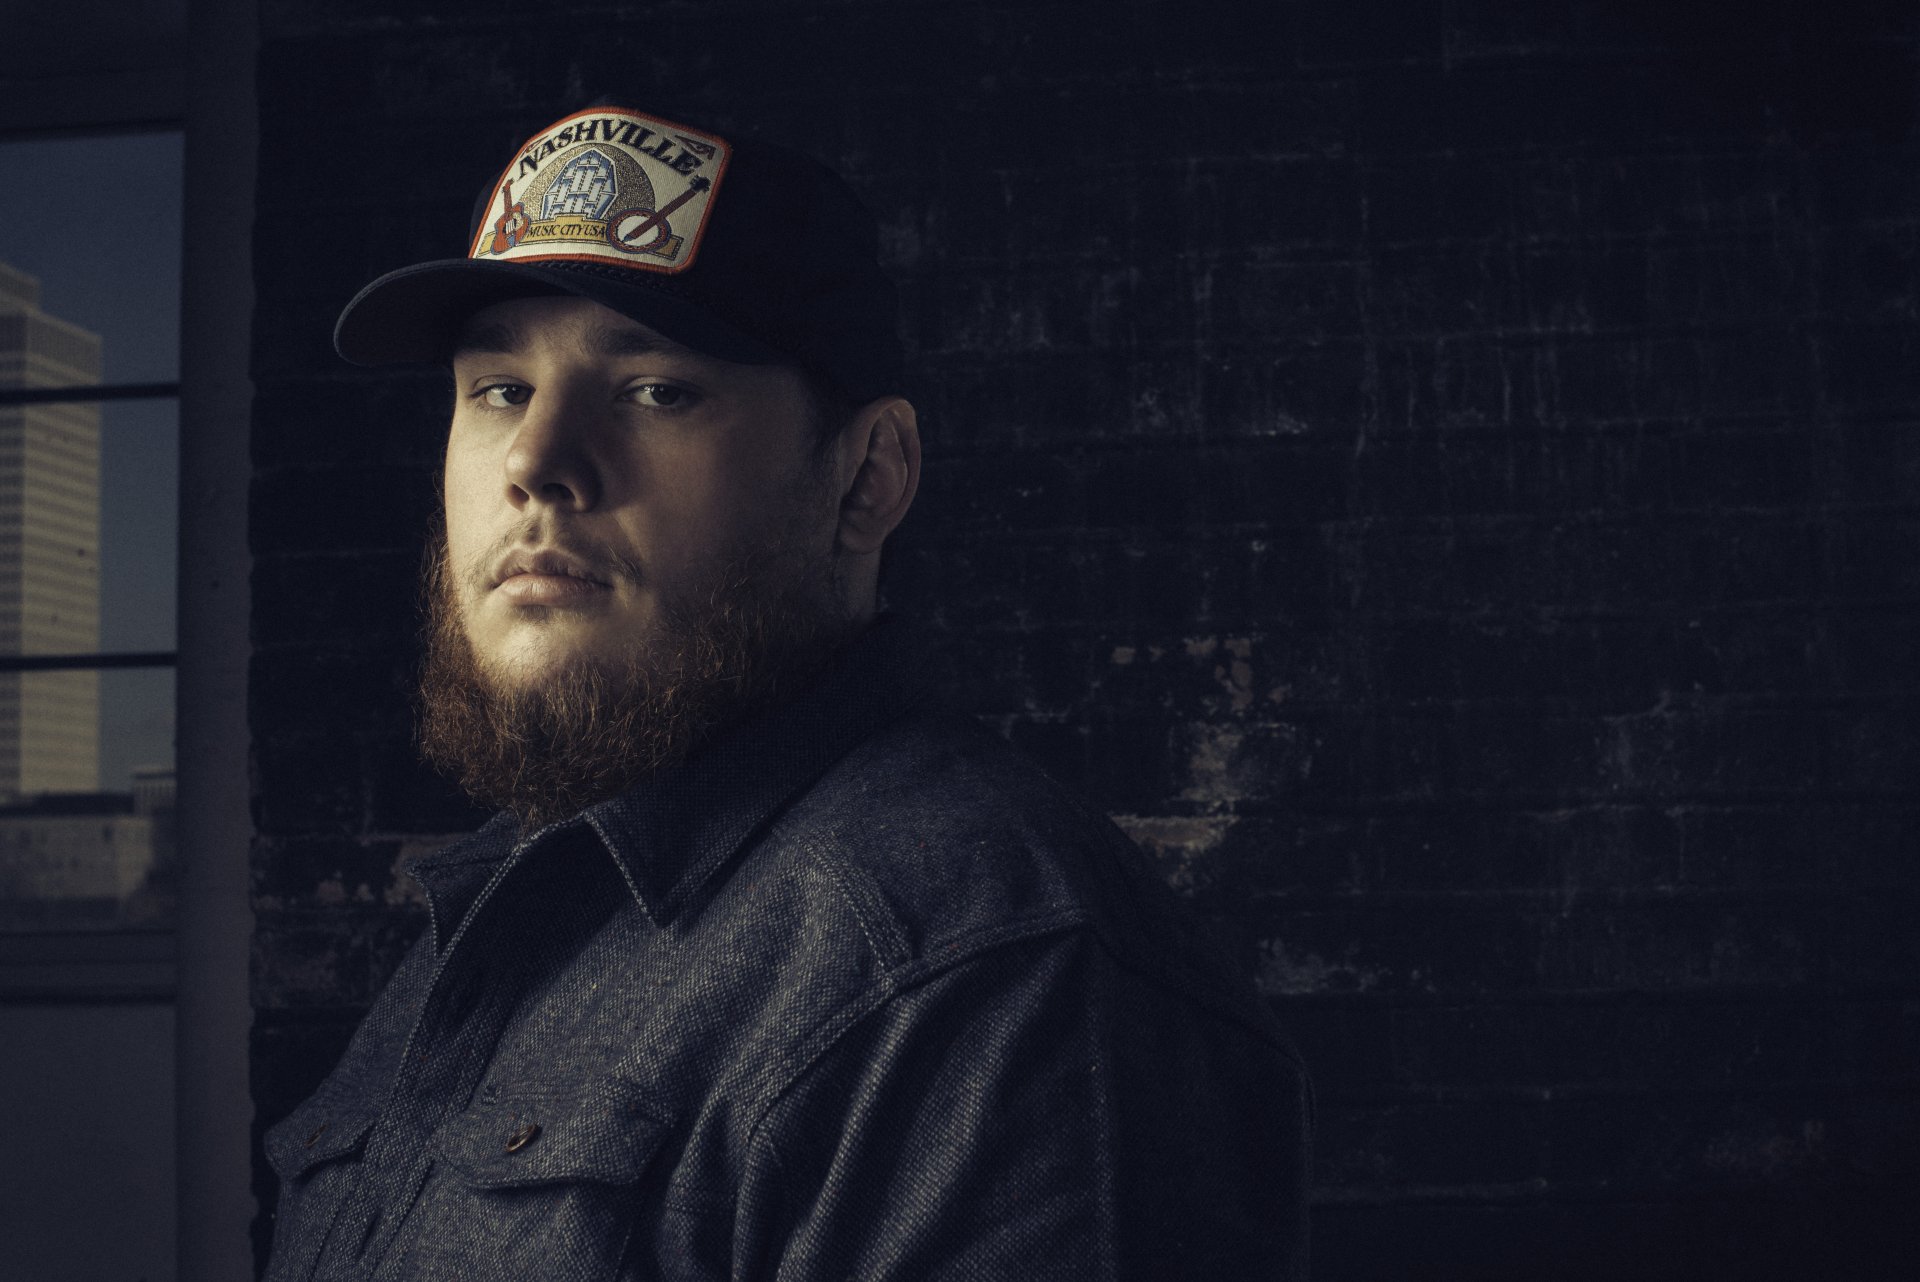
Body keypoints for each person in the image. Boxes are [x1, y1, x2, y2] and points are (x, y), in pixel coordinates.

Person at [262, 101, 1311, 1281]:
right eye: (499, 387)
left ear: (867, 479)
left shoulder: (978, 976)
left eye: (657, 390)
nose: (536, 462)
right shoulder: (508, 905)